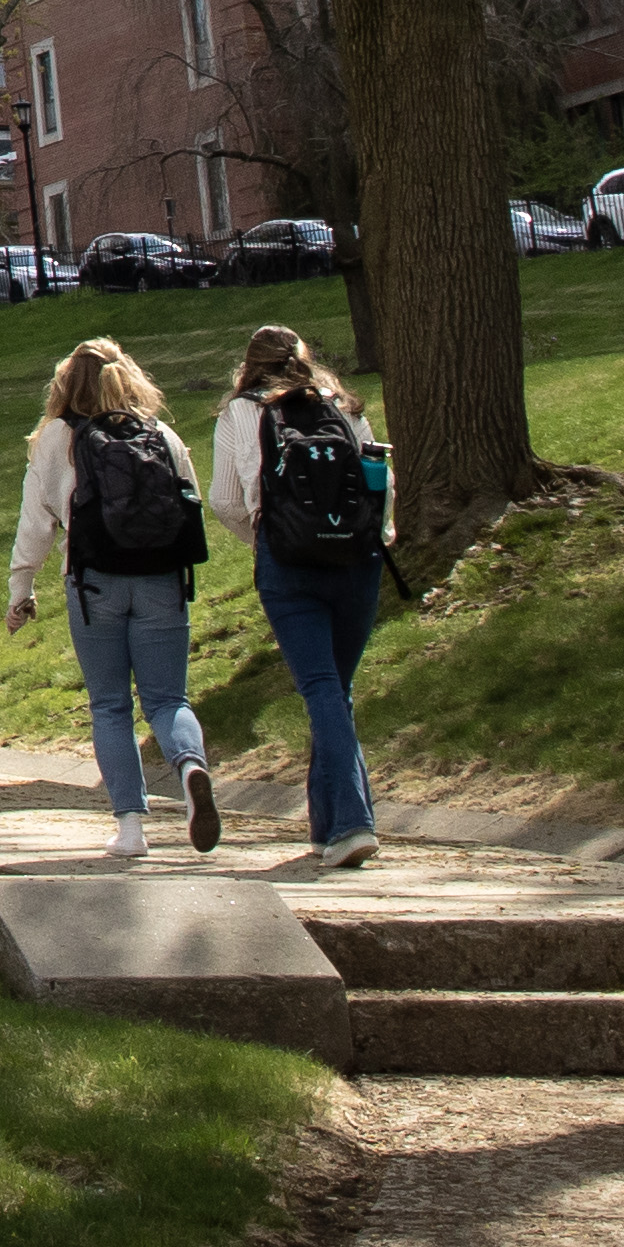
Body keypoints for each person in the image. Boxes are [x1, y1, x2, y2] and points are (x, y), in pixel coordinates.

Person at [1, 333, 217, 857]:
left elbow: (37, 524)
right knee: (168, 699)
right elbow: (191, 504)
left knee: (111, 705)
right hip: (163, 579)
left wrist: (20, 588)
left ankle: (131, 828)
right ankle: (190, 767)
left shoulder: (56, 438)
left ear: (64, 384)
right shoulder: (159, 433)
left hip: (94, 585)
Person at [212, 322, 389, 868]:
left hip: (289, 565)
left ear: (249, 364)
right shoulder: (344, 406)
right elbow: (379, 479)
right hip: (356, 561)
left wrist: (264, 535)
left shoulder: (242, 412)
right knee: (337, 690)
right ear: (304, 358)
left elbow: (223, 500)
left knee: (320, 689)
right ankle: (328, 825)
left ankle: (353, 825)